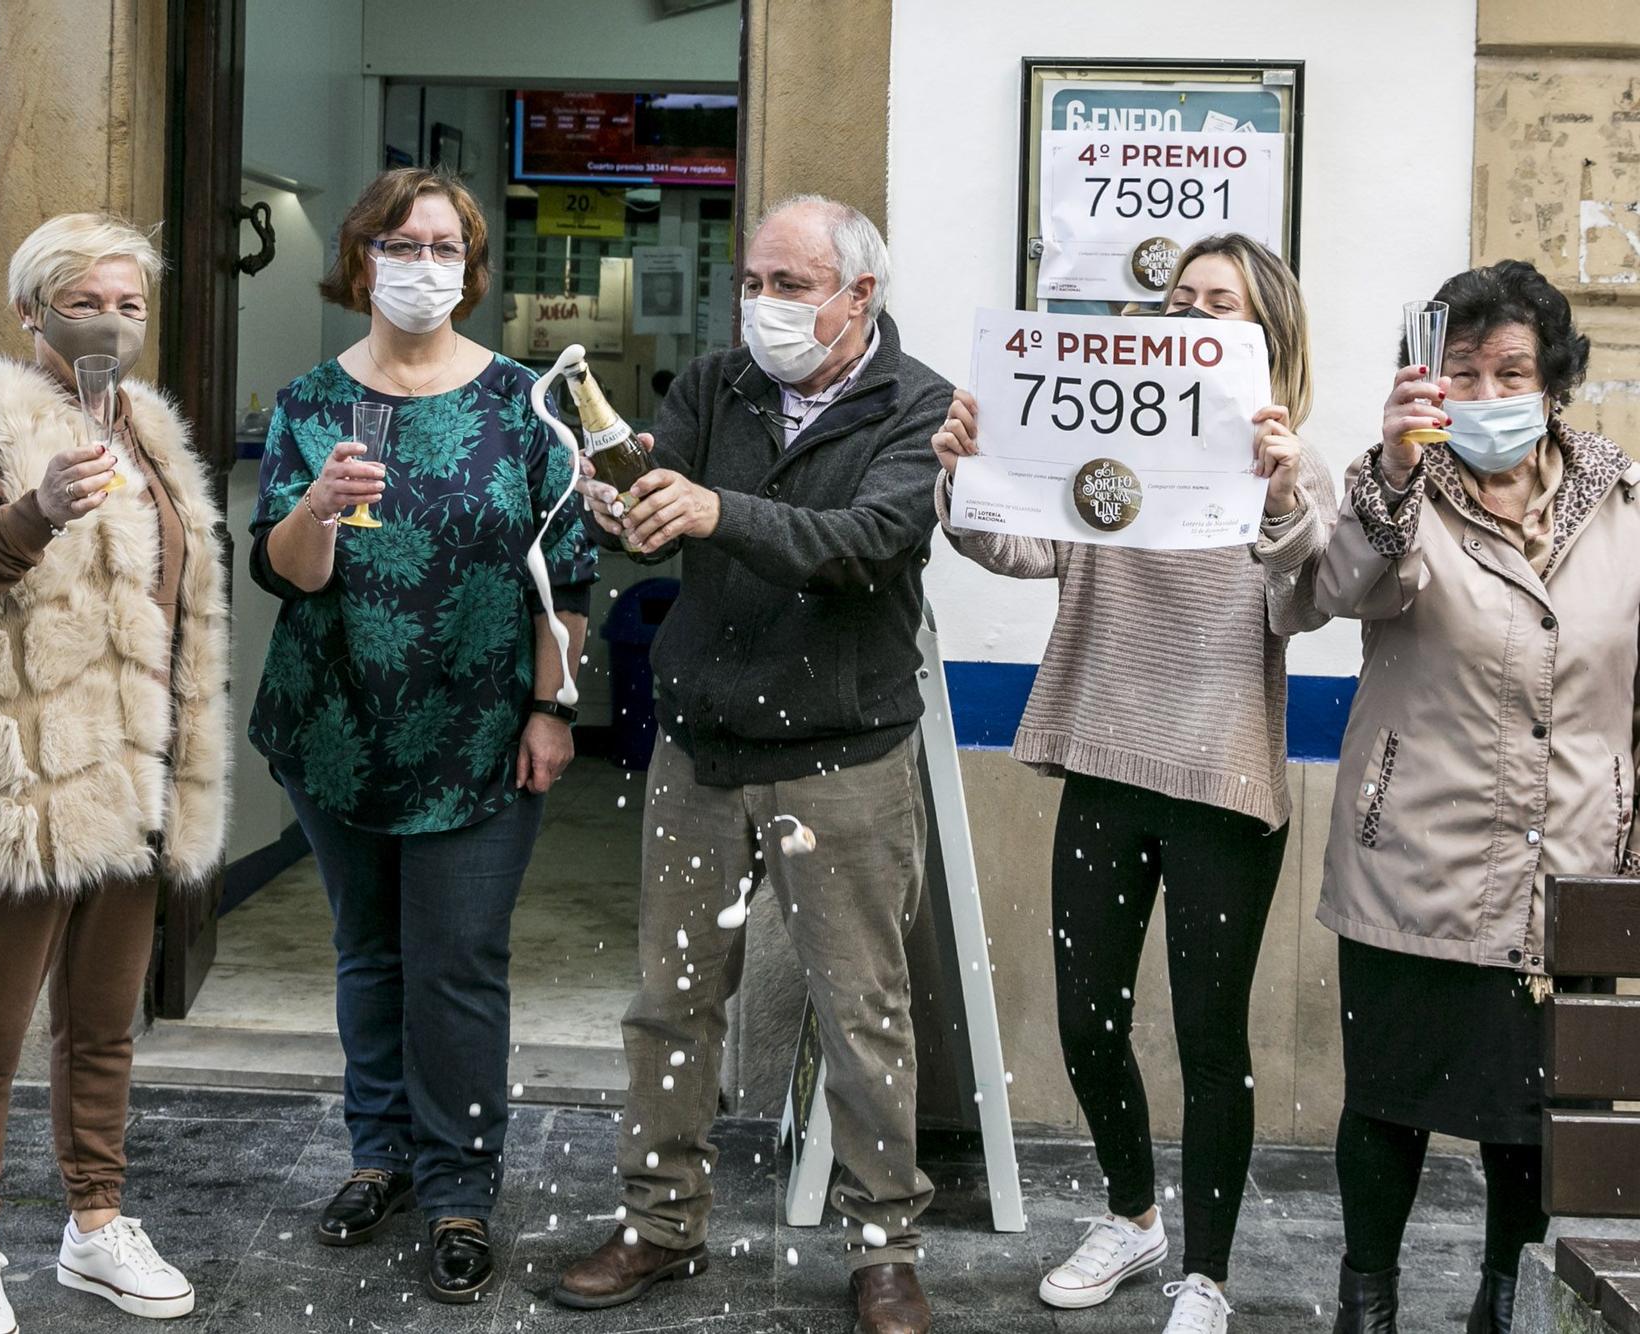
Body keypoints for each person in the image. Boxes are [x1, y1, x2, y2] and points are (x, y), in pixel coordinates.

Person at [550, 195, 951, 1334]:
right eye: (754, 282)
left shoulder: (913, 406)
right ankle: (660, 1221)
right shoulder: (713, 383)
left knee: (861, 1009)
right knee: (671, 999)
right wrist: (623, 504)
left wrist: (715, 509)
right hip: (701, 746)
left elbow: (867, 544)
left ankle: (883, 1245)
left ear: (857, 296)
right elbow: (657, 495)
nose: (763, 305)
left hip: (841, 759)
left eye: (791, 284)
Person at [930, 234, 1331, 1334]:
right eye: (1181, 298)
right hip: (1102, 761)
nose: (1194, 317)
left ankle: (1205, 1269)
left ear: (1265, 334)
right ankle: (1129, 1214)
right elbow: (1007, 547)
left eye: (1223, 305)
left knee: (1208, 1036)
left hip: (1221, 779)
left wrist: (1285, 494)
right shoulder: (1103, 445)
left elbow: (1306, 602)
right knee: (1085, 1021)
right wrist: (962, 471)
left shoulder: (1289, 462)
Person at [247, 167, 594, 1305]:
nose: (424, 265)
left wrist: (551, 706)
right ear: (360, 260)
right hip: (335, 726)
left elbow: (569, 581)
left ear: (471, 267)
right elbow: (288, 579)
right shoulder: (308, 404)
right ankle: (379, 1156)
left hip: (481, 728)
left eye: (445, 247)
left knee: (456, 965)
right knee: (368, 955)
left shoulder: (522, 403)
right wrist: (313, 507)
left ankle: (459, 1187)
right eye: (401, 244)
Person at [0, 213, 230, 1334]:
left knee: (102, 1022)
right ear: (31, 311)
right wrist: (34, 512)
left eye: (132, 304)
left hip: (132, 775)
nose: (113, 322)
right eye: (87, 301)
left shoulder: (148, 433)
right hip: (23, 777)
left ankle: (94, 1223)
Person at [1313, 260, 1638, 1334]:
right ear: (1426, 377)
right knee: (1387, 1105)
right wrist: (1393, 471)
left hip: (1568, 871)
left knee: (1531, 1124)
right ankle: (1365, 1299)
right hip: (1416, 856)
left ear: (1552, 382)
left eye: (1511, 369)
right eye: (1462, 369)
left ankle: (1505, 1299)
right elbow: (1322, 592)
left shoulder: (1624, 505)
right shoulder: (1400, 490)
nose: (1488, 391)